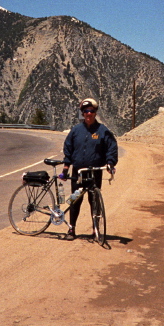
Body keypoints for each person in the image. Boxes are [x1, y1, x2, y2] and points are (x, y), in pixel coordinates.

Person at [61, 97, 118, 241]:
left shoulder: (103, 130)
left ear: (95, 112)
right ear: (82, 113)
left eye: (91, 111)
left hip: (94, 173)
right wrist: (66, 165)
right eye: (85, 111)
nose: (88, 114)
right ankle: (71, 228)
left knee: (94, 201)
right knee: (75, 201)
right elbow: (68, 147)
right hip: (78, 173)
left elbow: (111, 147)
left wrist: (110, 163)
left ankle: (95, 229)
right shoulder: (76, 130)